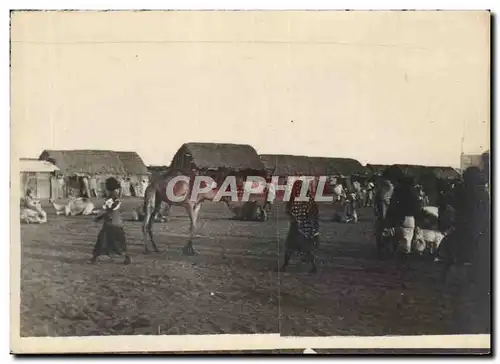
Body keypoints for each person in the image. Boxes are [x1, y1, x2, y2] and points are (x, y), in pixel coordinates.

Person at [281, 179, 320, 273]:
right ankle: (313, 267)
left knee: (291, 247)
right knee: (305, 248)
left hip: (298, 227)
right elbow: (314, 211)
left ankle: (284, 266)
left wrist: (297, 218)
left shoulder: (296, 198)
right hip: (304, 227)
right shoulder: (307, 198)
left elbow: (289, 210)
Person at [90, 177, 131, 265]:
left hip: (111, 223)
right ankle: (126, 257)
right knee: (119, 243)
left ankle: (94, 258)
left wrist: (98, 218)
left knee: (102, 240)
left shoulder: (110, 198)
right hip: (118, 223)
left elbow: (108, 210)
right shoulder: (115, 197)